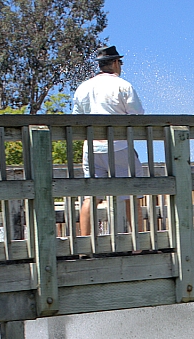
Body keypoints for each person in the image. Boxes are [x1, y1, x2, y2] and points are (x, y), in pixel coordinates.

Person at [72, 46, 145, 237]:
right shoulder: (123, 86)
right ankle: (138, 245)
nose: (120, 66)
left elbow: (76, 119)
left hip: (91, 148)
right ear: (114, 63)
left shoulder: (83, 87)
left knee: (91, 196)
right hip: (119, 147)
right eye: (120, 62)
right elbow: (137, 116)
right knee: (132, 193)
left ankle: (85, 245)